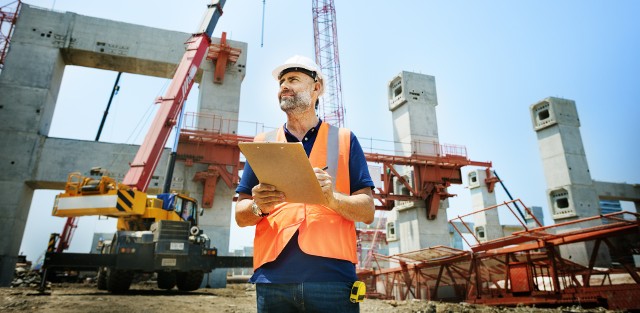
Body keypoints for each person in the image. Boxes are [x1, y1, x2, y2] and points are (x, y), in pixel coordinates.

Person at [235, 55, 375, 312]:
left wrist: (332, 198)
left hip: (332, 279)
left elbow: (367, 211)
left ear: (316, 87)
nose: (284, 86)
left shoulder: (344, 140)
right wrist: (258, 207)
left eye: (294, 79)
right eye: (282, 82)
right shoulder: (263, 142)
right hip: (273, 279)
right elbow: (241, 216)